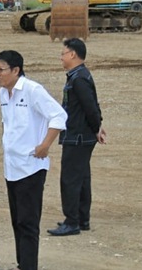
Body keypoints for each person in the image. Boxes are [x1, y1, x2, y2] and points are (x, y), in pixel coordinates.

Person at [0, 50, 67, 270]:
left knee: (28, 223)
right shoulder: (2, 93)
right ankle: (22, 263)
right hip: (12, 167)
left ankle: (29, 266)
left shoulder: (32, 90)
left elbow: (59, 116)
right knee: (17, 220)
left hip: (31, 168)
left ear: (16, 70)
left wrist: (45, 144)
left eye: (1, 69)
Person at [48, 38, 106, 238]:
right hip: (82, 135)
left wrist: (97, 126)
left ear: (72, 54)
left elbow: (90, 106)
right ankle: (82, 219)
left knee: (70, 180)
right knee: (81, 178)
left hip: (78, 136)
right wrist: (97, 126)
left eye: (63, 53)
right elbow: (93, 104)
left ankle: (72, 222)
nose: (61, 57)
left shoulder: (78, 78)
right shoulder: (80, 74)